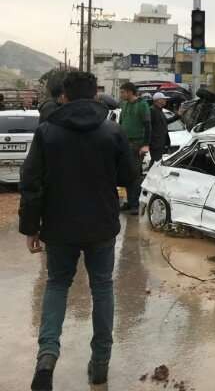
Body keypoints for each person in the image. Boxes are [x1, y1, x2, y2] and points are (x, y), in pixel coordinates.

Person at [19, 71, 134, 389]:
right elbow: (129, 176)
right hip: (101, 226)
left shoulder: (47, 132)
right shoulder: (113, 131)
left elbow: (31, 184)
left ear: (64, 98)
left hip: (58, 226)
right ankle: (100, 364)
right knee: (102, 289)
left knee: (57, 285)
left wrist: (31, 227)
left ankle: (46, 358)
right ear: (96, 96)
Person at [118, 82, 150, 215]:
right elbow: (121, 123)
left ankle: (135, 204)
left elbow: (148, 126)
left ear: (130, 92)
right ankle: (128, 201)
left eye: (123, 92)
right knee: (125, 173)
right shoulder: (124, 105)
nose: (121, 95)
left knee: (134, 175)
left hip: (137, 143)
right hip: (124, 143)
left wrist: (145, 144)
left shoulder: (142, 105)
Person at [149, 92, 177, 167]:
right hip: (155, 143)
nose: (165, 101)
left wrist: (178, 115)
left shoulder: (160, 110)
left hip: (160, 142)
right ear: (158, 100)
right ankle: (150, 176)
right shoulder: (152, 110)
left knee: (157, 162)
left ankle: (152, 175)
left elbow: (165, 122)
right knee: (155, 162)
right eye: (164, 99)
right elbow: (148, 127)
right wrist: (151, 142)